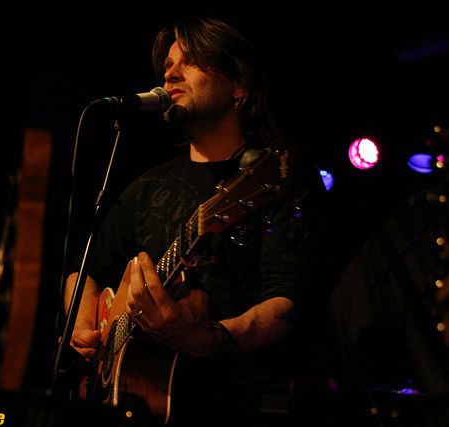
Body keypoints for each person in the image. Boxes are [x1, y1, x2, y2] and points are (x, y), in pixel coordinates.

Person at [64, 16, 330, 425]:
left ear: (238, 86)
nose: (169, 74)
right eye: (167, 65)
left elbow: (286, 305)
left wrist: (211, 339)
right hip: (143, 406)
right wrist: (85, 330)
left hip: (243, 406)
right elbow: (86, 273)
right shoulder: (147, 187)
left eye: (189, 62)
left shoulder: (271, 177)